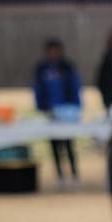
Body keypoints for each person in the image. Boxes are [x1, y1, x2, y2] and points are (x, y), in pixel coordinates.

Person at [32, 38, 82, 187]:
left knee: (68, 144)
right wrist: (41, 106)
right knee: (54, 145)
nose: (53, 53)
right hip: (50, 111)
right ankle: (60, 175)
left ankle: (74, 174)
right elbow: (38, 89)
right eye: (50, 50)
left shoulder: (67, 68)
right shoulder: (41, 69)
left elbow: (75, 87)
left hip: (67, 113)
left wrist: (75, 107)